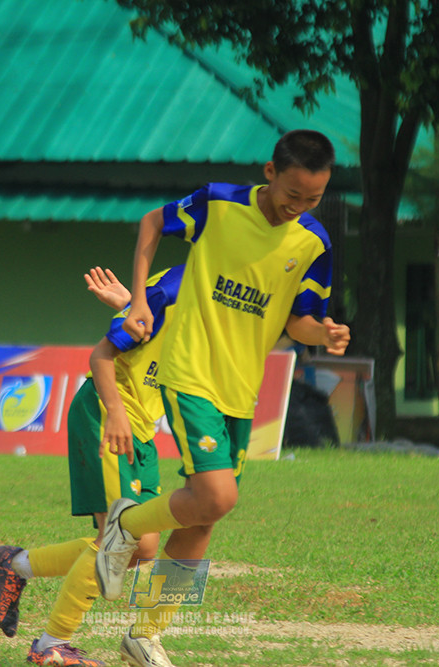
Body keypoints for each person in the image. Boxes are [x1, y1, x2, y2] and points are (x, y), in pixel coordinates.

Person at [94, 130, 351, 657]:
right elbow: (152, 223)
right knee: (217, 496)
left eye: (313, 200)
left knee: (207, 516)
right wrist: (139, 299)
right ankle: (126, 526)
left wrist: (323, 334)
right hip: (189, 372)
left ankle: (146, 635)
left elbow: (297, 319)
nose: (297, 208)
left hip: (240, 387)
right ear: (269, 172)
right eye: (291, 196)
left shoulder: (314, 242)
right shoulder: (219, 204)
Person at [0, 265, 184, 667]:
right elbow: (103, 355)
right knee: (118, 538)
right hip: (108, 413)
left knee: (143, 548)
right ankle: (49, 645)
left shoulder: (225, 303)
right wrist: (115, 410)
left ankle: (18, 565)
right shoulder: (175, 285)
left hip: (144, 426)